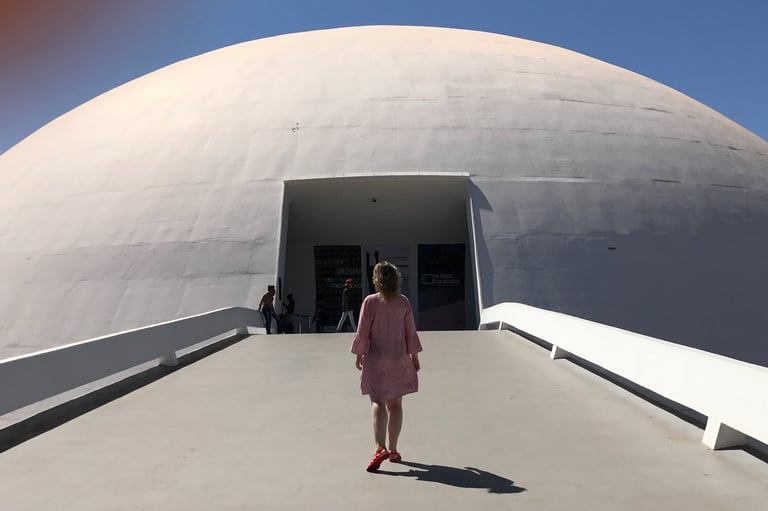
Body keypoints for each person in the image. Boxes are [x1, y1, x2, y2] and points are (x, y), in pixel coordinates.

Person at [350, 262, 423, 472]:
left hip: (376, 360)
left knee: (378, 402)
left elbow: (363, 331)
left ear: (377, 280)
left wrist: (359, 354)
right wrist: (414, 357)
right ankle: (393, 450)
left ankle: (379, 447)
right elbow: (411, 332)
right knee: (396, 405)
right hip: (399, 359)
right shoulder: (403, 303)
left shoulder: (370, 302)